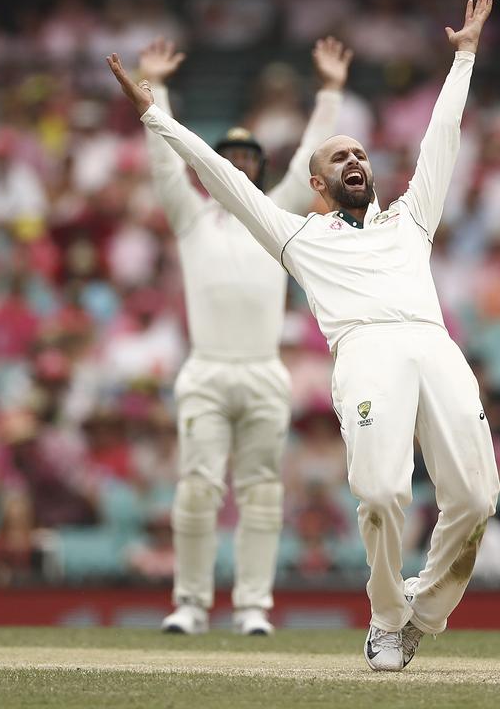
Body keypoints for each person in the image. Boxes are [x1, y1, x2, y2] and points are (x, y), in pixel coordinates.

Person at [108, 0, 498, 672]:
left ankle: (422, 611)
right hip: (366, 352)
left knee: (476, 499)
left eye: (360, 153)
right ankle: (384, 619)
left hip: (434, 345)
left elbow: (445, 135)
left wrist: (463, 55)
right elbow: (223, 180)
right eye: (338, 157)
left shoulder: (410, 220)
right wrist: (157, 118)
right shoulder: (297, 236)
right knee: (380, 494)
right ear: (316, 183)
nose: (354, 160)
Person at [135, 36, 353, 636]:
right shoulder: (191, 218)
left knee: (260, 492)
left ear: (257, 166)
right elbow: (165, 155)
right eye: (226, 156)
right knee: (198, 488)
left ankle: (254, 606)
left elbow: (312, 151)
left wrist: (330, 91)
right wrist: (158, 86)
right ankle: (191, 604)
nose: (235, 164)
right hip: (206, 370)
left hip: (261, 370)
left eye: (246, 157)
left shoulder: (276, 214)